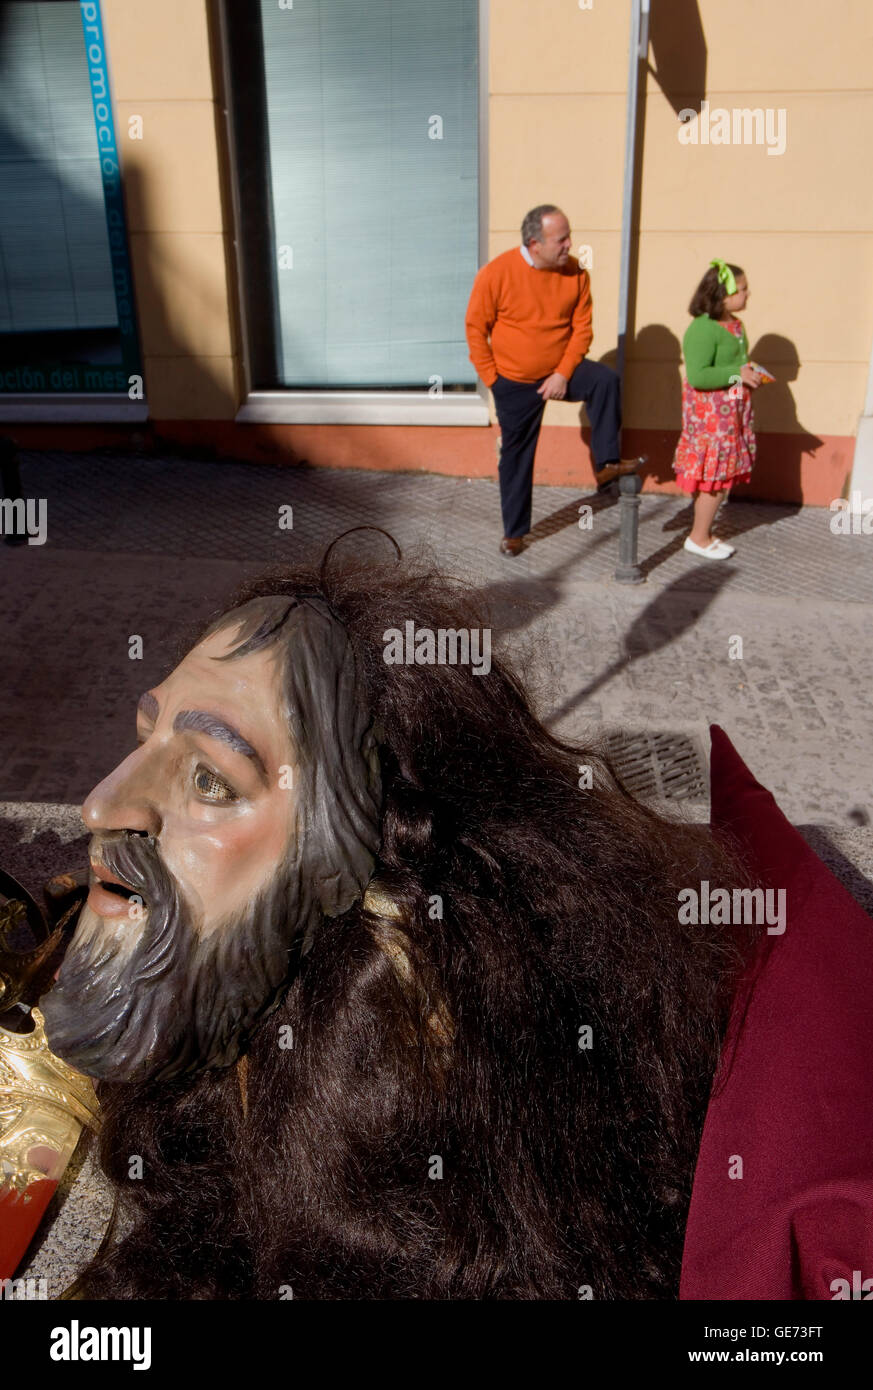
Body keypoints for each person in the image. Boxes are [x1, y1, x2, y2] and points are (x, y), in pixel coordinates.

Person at [37, 548, 752, 1300]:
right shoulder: (210, 1051)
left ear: (352, 877)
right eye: (144, 737)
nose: (103, 804)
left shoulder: (387, 1168)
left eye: (210, 780)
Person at [465, 205, 641, 556]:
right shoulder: (496, 274)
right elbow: (474, 329)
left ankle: (607, 464)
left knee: (604, 380)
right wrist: (493, 380)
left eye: (568, 237)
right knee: (516, 456)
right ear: (535, 243)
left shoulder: (575, 273)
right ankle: (514, 533)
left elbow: (582, 329)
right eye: (561, 239)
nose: (569, 245)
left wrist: (562, 372)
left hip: (561, 369)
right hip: (513, 380)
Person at [673, 259, 762, 560]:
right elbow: (698, 376)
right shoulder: (702, 329)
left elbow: (736, 363)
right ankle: (697, 538)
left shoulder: (735, 325)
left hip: (730, 416)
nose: (748, 294)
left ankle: (706, 532)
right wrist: (737, 374)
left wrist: (748, 376)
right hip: (711, 420)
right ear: (723, 294)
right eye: (743, 289)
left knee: (722, 478)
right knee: (714, 479)